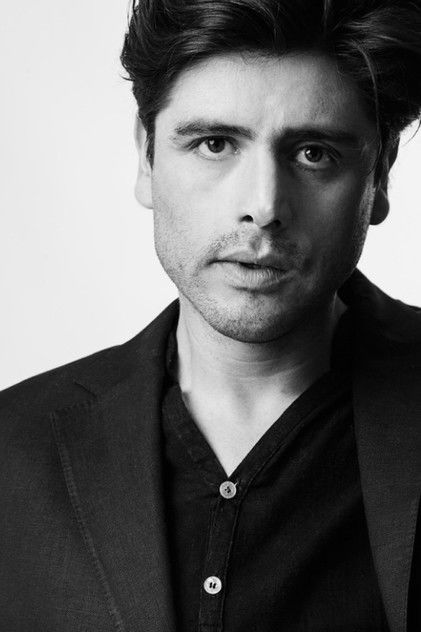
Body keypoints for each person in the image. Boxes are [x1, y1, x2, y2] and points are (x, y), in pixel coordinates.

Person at [1, 0, 421, 630]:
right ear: (146, 157)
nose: (263, 206)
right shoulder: (14, 449)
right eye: (215, 144)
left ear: (379, 175)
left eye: (313, 153)